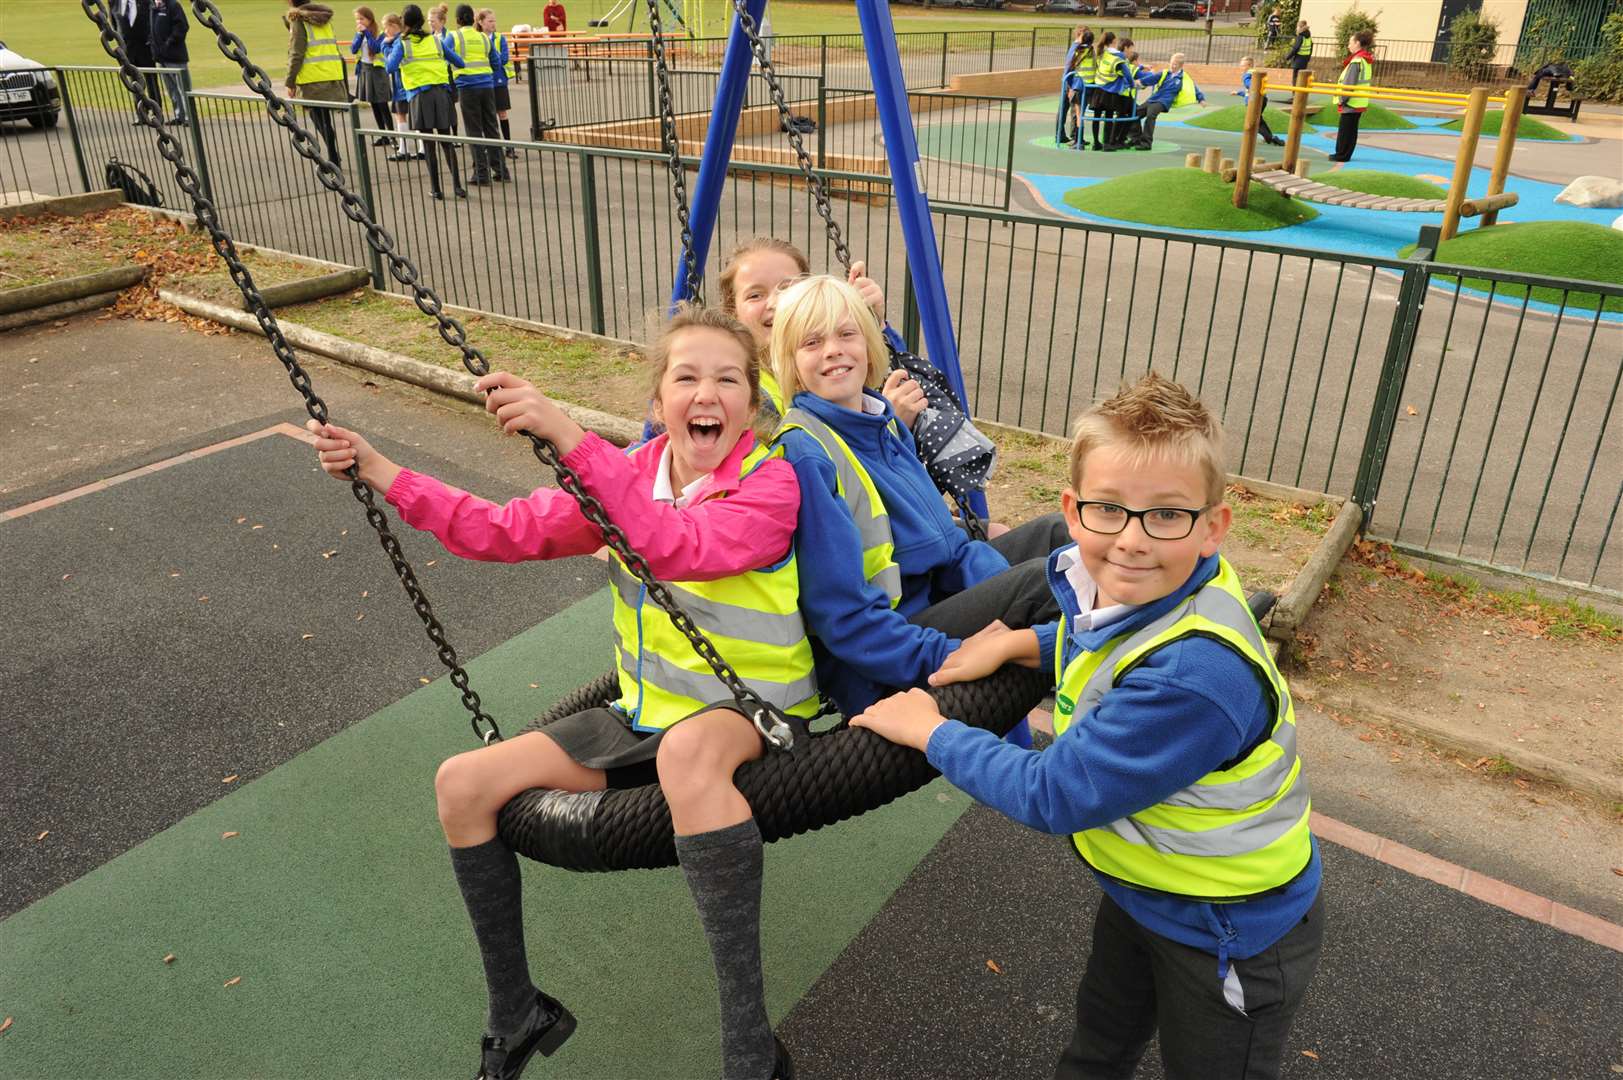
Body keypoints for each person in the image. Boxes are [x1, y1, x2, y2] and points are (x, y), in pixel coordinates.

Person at [305, 307, 803, 1080]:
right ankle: (517, 1010)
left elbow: (675, 545)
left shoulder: (771, 482)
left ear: (750, 400)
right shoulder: (633, 474)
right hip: (645, 715)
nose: (707, 393)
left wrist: (575, 441)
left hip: (749, 708)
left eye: (727, 379)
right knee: (462, 783)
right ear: (658, 398)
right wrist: (377, 468)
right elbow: (502, 529)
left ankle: (749, 1048)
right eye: (686, 377)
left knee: (691, 753)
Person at [851, 371, 1325, 1080]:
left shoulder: (1198, 677)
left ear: (1211, 527)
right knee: (1097, 1048)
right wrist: (1024, 642)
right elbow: (1112, 644)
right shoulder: (1135, 588)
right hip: (1146, 893)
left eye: (1165, 515)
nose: (1131, 540)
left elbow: (1054, 792)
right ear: (1072, 511)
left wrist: (931, 731)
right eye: (1109, 509)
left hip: (1226, 928)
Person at [768, 275, 1070, 718]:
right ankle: (1109, 685)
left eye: (846, 334)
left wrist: (996, 579)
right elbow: (845, 620)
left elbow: (949, 550)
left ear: (870, 345)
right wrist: (952, 651)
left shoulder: (883, 423)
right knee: (1049, 580)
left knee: (1061, 535)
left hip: (930, 603)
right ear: (791, 363)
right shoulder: (807, 453)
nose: (833, 349)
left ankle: (1155, 667)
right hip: (888, 652)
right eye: (811, 342)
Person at [385, 2, 468, 198]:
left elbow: (389, 68)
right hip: (442, 94)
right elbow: (460, 62)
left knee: (429, 144)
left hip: (419, 97)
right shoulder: (436, 41)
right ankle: (457, 186)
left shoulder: (403, 44)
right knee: (446, 142)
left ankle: (436, 189)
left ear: (403, 22)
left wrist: (389, 44)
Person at [447, 3, 508, 184]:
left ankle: (481, 174)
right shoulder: (483, 37)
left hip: (467, 87)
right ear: (474, 19)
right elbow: (496, 62)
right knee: (491, 128)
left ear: (457, 20)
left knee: (474, 130)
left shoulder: (454, 37)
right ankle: (501, 170)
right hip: (487, 86)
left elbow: (442, 54)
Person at [284, 0, 348, 167]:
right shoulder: (324, 19)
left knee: (319, 119)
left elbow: (297, 53)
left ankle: (334, 158)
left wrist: (290, 81)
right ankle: (334, 157)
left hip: (313, 78)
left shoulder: (298, 20)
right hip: (331, 74)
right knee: (324, 119)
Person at [1131, 51, 1203, 151]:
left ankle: (1146, 143)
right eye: (1171, 63)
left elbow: (1193, 88)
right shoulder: (1165, 73)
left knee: (1151, 114)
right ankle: (1135, 138)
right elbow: (1151, 79)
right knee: (1135, 113)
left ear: (1181, 65)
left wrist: (1201, 99)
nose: (1172, 66)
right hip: (1154, 98)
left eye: (1175, 64)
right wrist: (1138, 82)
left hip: (1164, 102)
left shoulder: (1184, 78)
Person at [381, 11, 424, 160]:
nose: (385, 31)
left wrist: (384, 46)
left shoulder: (397, 42)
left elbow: (391, 63)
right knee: (416, 116)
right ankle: (421, 149)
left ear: (394, 26)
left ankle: (403, 150)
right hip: (412, 83)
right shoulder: (408, 39)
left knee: (401, 116)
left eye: (386, 27)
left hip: (402, 84)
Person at [1328, 29, 1375, 162]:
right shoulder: (1366, 60)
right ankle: (1346, 154)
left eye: (1350, 42)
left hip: (1351, 102)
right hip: (1359, 101)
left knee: (1345, 131)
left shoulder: (1356, 61)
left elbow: (1349, 83)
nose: (1349, 45)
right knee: (1352, 131)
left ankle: (1341, 154)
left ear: (1357, 43)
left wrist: (1342, 99)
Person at [352, 7, 396, 143]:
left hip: (378, 72)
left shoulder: (381, 34)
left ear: (369, 19)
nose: (359, 21)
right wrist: (360, 35)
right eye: (357, 19)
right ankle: (384, 136)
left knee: (382, 104)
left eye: (362, 18)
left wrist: (366, 33)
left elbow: (375, 48)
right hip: (365, 70)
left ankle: (392, 137)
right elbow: (353, 49)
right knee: (374, 104)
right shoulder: (360, 33)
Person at [116, 0, 164, 124]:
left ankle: (157, 112)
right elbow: (116, 26)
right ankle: (141, 114)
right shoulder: (116, 3)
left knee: (151, 81)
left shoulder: (146, 2)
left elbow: (152, 22)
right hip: (129, 50)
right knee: (135, 84)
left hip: (146, 48)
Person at [480, 8, 519, 157]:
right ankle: (491, 147)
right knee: (487, 115)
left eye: (494, 20)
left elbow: (503, 59)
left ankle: (509, 146)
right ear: (481, 23)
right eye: (490, 21)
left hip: (499, 81)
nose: (493, 23)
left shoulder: (499, 38)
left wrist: (491, 53)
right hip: (484, 81)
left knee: (502, 113)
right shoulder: (478, 38)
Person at [148, 0, 190, 127]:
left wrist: (169, 42)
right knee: (171, 89)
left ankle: (189, 117)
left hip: (175, 56)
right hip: (161, 57)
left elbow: (182, 26)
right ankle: (179, 116)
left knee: (183, 88)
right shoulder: (153, 7)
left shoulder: (173, 5)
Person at [1090, 32, 1131, 151]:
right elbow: (1125, 72)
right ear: (1114, 41)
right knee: (1108, 117)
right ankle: (1106, 144)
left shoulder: (1101, 52)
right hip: (1109, 90)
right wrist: (1131, 83)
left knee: (1096, 117)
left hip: (1098, 88)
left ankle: (1096, 143)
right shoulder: (1118, 55)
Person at [1237, 56, 1284, 147]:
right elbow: (1252, 90)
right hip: (1263, 98)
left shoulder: (1247, 75)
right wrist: (1239, 93)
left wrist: (1249, 87)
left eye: (1243, 65)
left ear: (1249, 65)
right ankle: (1269, 137)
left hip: (1255, 101)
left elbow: (1252, 87)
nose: (1241, 67)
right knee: (1259, 120)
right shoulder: (1256, 73)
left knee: (1254, 121)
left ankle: (1271, 138)